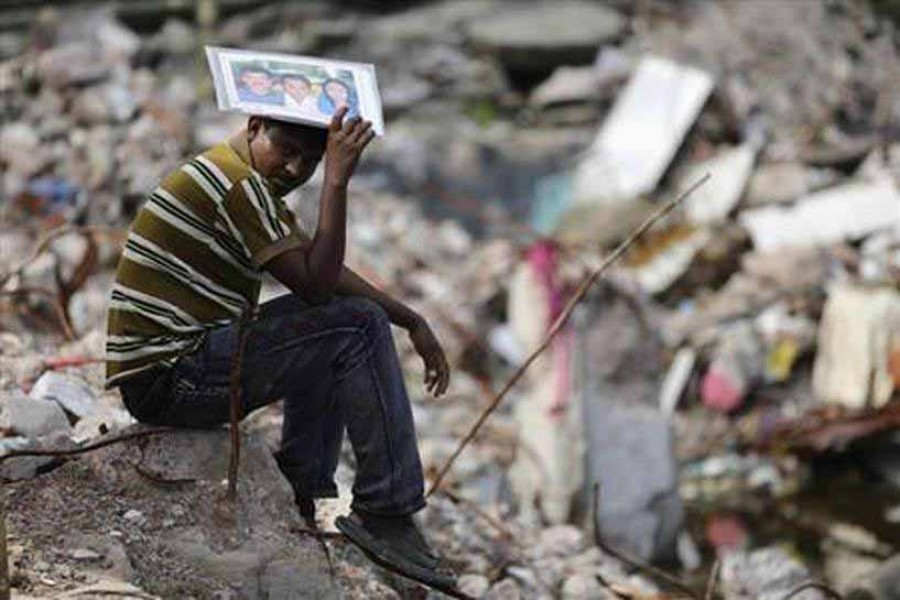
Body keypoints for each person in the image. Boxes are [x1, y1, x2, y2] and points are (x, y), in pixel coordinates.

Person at [105, 107, 456, 589]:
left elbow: (320, 272)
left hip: (174, 370)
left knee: (340, 327)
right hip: (173, 378)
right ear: (254, 128)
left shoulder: (241, 181)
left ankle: (300, 496)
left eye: (310, 161)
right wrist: (335, 183)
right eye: (286, 151)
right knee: (352, 327)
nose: (294, 169)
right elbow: (317, 285)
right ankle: (386, 510)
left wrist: (410, 318)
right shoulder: (237, 187)